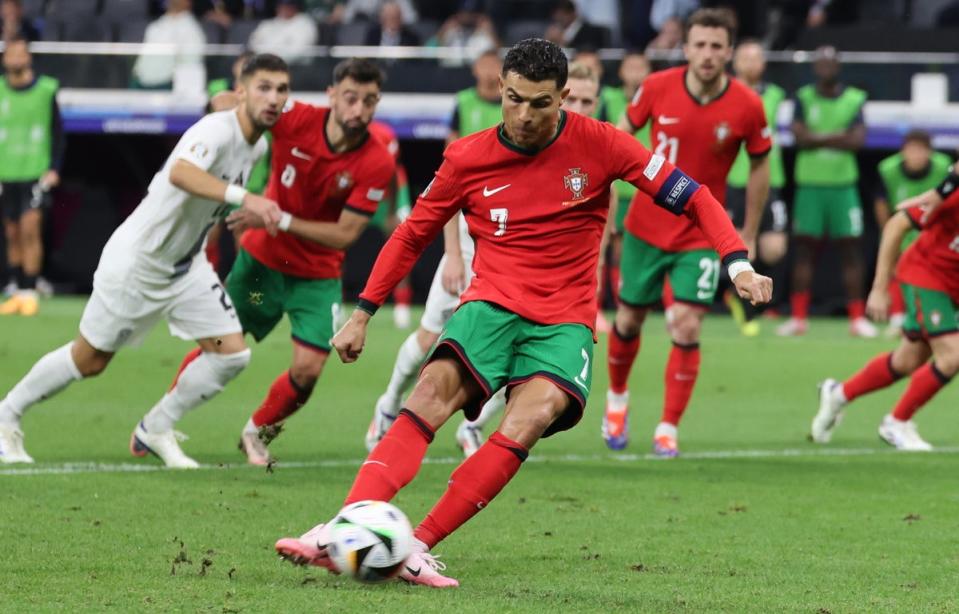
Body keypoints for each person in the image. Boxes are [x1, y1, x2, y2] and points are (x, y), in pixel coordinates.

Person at [274, 37, 770, 587]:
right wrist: (363, 312)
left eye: (540, 103)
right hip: (491, 304)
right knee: (429, 393)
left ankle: (416, 546)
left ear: (564, 98)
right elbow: (413, 234)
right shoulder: (467, 156)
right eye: (513, 99)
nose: (524, 114)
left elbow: (695, 196)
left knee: (529, 419)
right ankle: (341, 527)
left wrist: (738, 264)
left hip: (564, 320)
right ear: (500, 91)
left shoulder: (604, 144)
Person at [0, 54, 287, 467]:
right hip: (139, 264)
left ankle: (155, 427)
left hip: (187, 269)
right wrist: (246, 198)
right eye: (264, 87)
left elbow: (208, 200)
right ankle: (8, 414)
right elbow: (182, 173)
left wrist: (235, 213)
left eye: (281, 89)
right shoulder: (215, 130)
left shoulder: (257, 145)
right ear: (240, 91)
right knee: (91, 359)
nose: (273, 98)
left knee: (231, 353)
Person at [210, 59, 396, 466]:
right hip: (262, 267)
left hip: (317, 277)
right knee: (219, 345)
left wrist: (277, 216)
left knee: (309, 370)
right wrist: (227, 103)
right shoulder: (296, 118)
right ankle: (160, 423)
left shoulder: (377, 161)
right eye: (350, 98)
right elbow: (227, 101)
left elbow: (346, 234)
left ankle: (255, 432)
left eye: (369, 101)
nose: (358, 110)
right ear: (331, 96)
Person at [604, 8, 771, 457]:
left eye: (717, 46)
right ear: (686, 47)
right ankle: (617, 400)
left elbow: (759, 165)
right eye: (700, 44)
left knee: (687, 322)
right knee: (629, 319)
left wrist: (749, 231)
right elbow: (620, 137)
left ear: (730, 51)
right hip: (644, 226)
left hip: (701, 233)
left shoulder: (747, 105)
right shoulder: (656, 88)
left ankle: (667, 428)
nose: (708, 54)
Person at [365, 48, 505, 458]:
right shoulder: (465, 111)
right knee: (429, 337)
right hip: (465, 244)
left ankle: (474, 427)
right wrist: (454, 255)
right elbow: (451, 182)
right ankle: (389, 404)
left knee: (520, 353)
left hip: (507, 254)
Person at [811, 170, 959, 451]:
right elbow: (896, 225)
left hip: (952, 287)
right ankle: (896, 423)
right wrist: (880, 288)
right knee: (952, 356)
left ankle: (838, 393)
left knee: (908, 360)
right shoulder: (952, 197)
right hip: (926, 275)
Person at [777, 46, 873, 337]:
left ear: (838, 66)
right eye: (821, 63)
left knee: (851, 250)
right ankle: (798, 318)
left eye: (831, 63)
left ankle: (857, 319)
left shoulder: (855, 98)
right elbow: (799, 137)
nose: (826, 68)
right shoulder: (803, 97)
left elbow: (857, 140)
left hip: (843, 186)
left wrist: (817, 137)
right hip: (811, 185)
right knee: (804, 251)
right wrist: (836, 136)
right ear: (815, 67)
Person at [723, 40, 789, 336]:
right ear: (735, 62)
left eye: (756, 58)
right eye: (745, 58)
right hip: (736, 177)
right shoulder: (725, 93)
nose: (751, 63)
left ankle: (759, 299)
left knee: (774, 248)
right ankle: (742, 301)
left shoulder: (775, 94)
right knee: (739, 243)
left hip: (769, 178)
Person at [0, 36, 63, 317]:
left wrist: (54, 168)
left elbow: (58, 133)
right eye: (9, 53)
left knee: (30, 228)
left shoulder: (46, 90)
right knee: (11, 232)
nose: (14, 59)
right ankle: (15, 288)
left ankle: (29, 289)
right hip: (6, 171)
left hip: (35, 170)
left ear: (28, 58)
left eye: (19, 53)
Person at [873, 130, 952, 337]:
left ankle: (915, 320)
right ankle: (900, 318)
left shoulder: (943, 167)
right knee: (899, 266)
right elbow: (884, 208)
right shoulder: (888, 169)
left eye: (921, 150)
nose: (916, 155)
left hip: (934, 234)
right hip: (908, 225)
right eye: (911, 149)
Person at [597, 50, 651, 326]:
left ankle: (635, 304)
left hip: (647, 190)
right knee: (613, 248)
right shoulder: (608, 99)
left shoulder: (654, 99)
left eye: (641, 67)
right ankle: (609, 306)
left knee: (639, 251)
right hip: (620, 186)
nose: (635, 72)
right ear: (620, 72)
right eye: (630, 66)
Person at [132, 0, 206, 90]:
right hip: (140, 82)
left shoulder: (192, 30)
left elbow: (191, 63)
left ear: (188, 2)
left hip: (165, 86)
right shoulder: (155, 25)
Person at [249, 0, 319, 64]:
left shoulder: (305, 23)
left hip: (297, 68)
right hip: (266, 65)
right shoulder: (267, 24)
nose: (284, 8)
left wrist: (273, 56)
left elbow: (299, 51)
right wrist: (268, 56)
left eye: (288, 5)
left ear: (295, 6)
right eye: (281, 5)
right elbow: (253, 44)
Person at [545, 0, 609, 49]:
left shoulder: (591, 32)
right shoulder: (555, 31)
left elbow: (587, 50)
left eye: (562, 15)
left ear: (572, 13)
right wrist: (548, 42)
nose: (558, 18)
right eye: (556, 16)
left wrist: (563, 42)